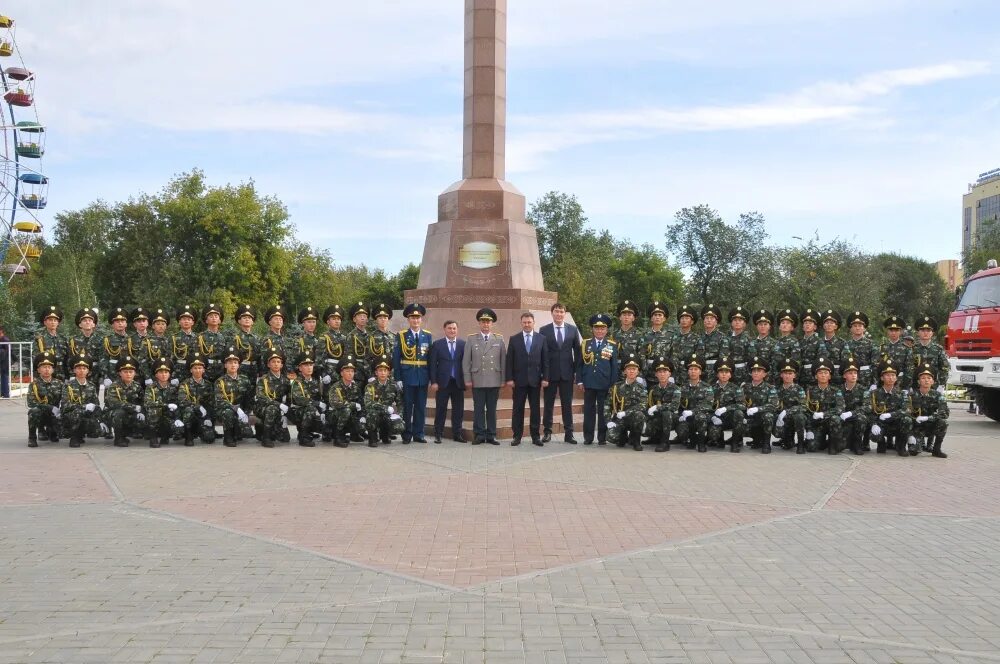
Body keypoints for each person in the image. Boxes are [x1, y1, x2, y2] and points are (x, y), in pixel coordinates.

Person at [506, 312, 549, 446]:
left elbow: (545, 360)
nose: (527, 324)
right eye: (524, 322)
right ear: (521, 323)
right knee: (517, 409)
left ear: (533, 323)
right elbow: (509, 361)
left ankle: (535, 437)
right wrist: (509, 378)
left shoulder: (541, 338)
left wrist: (545, 377)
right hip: (518, 381)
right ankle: (517, 436)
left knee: (535, 409)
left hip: (535, 381)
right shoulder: (514, 339)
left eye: (529, 322)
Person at [539, 302, 581, 443]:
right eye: (556, 311)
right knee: (548, 404)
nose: (559, 314)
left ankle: (569, 434)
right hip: (550, 375)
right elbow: (542, 353)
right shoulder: (544, 330)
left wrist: (575, 371)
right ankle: (547, 432)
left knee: (567, 404)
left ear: (565, 313)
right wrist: (543, 374)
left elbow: (578, 352)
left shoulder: (572, 330)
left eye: (561, 311)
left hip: (567, 374)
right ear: (552, 313)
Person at [463, 308, 505, 445]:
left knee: (492, 409)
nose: (486, 325)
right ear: (479, 323)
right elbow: (465, 361)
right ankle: (480, 434)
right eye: (483, 322)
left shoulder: (499, 339)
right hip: (478, 380)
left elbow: (503, 361)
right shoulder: (471, 339)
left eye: (488, 322)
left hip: (494, 379)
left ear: (491, 324)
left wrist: (503, 379)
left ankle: (491, 435)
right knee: (479, 408)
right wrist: (467, 379)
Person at [394, 303, 432, 443]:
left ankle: (419, 433)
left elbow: (430, 358)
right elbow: (396, 358)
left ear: (421, 320)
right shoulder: (402, 336)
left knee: (421, 407)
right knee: (408, 407)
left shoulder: (427, 336)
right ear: (408, 320)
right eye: (413, 318)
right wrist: (397, 378)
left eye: (418, 318)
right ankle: (407, 434)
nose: (415, 321)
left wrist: (431, 377)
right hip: (407, 376)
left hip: (422, 376)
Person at [577, 313, 618, 445]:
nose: (599, 331)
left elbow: (614, 366)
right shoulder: (585, 343)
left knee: (603, 412)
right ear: (593, 329)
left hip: (604, 384)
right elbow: (579, 364)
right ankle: (588, 437)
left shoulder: (611, 345)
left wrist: (613, 384)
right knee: (588, 411)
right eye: (597, 328)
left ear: (606, 330)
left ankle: (602, 437)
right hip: (588, 383)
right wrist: (579, 380)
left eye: (602, 328)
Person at [428, 320, 466, 443]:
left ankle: (457, 434)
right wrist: (433, 381)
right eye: (449, 328)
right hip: (442, 383)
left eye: (454, 328)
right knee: (441, 409)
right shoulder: (437, 344)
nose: (452, 331)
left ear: (457, 330)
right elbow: (432, 365)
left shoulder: (463, 344)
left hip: (458, 382)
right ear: (444, 329)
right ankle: (438, 434)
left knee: (458, 410)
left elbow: (467, 364)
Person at [869, 359, 914, 456]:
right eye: (888, 375)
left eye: (893, 375)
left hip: (896, 425)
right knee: (874, 434)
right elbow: (870, 411)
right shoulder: (875, 394)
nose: (891, 378)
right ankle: (881, 443)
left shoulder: (902, 394)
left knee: (907, 420)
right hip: (882, 425)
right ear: (882, 378)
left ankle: (901, 446)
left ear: (896, 378)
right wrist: (874, 424)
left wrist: (891, 415)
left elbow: (907, 410)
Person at [61, 351, 103, 447]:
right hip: (70, 417)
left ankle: (82, 434)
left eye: (84, 368)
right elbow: (65, 406)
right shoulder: (68, 386)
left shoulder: (91, 386)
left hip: (85, 415)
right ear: (74, 370)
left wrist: (100, 420)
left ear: (88, 371)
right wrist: (84, 407)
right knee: (77, 412)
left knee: (98, 431)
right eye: (79, 368)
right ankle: (74, 437)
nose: (81, 371)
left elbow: (96, 404)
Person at [605, 353, 647, 450]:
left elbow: (643, 405)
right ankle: (623, 436)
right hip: (620, 419)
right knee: (612, 437)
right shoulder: (617, 387)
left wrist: (626, 412)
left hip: (633, 418)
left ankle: (636, 441)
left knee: (639, 415)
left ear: (638, 372)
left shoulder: (641, 388)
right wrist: (608, 421)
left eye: (634, 369)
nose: (631, 371)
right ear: (625, 371)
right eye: (629, 369)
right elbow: (607, 405)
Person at [804, 358, 845, 454]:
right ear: (815, 376)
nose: (823, 375)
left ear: (830, 376)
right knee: (811, 448)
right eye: (820, 373)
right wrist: (808, 430)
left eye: (826, 373)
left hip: (830, 423)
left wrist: (823, 414)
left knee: (835, 418)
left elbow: (840, 408)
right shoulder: (810, 391)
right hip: (817, 425)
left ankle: (834, 443)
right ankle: (822, 442)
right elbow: (806, 410)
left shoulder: (836, 391)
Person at [674, 353, 714, 452]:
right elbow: (678, 402)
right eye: (691, 369)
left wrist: (693, 412)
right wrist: (679, 414)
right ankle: (691, 439)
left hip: (702, 416)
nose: (693, 372)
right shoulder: (683, 387)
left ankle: (701, 443)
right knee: (681, 429)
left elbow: (708, 405)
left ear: (700, 372)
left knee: (700, 417)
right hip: (687, 417)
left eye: (696, 369)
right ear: (688, 371)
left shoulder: (707, 387)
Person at [216, 347, 253, 447]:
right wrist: (236, 409)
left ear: (239, 365)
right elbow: (220, 401)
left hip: (242, 412)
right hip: (225, 410)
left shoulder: (245, 380)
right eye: (230, 362)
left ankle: (237, 431)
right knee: (228, 412)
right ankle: (228, 437)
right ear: (225, 365)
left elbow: (249, 399)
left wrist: (246, 412)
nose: (233, 365)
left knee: (248, 434)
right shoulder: (220, 381)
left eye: (235, 362)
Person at [910, 362, 949, 458]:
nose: (926, 381)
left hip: (931, 425)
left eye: (929, 378)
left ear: (933, 381)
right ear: (919, 381)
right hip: (917, 427)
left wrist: (928, 418)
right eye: (923, 378)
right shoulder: (911, 396)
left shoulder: (938, 396)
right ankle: (915, 443)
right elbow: (906, 412)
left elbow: (945, 412)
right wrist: (909, 434)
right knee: (914, 452)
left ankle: (936, 449)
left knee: (943, 422)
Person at [104, 355, 145, 447]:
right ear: (120, 373)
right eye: (125, 372)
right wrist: (134, 407)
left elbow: (142, 401)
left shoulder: (137, 386)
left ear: (135, 373)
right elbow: (115, 403)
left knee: (145, 414)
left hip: (131, 413)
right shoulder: (114, 386)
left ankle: (134, 433)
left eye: (131, 372)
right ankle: (118, 438)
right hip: (114, 413)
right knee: (119, 413)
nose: (128, 374)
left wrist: (142, 411)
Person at [143, 358, 184, 448]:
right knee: (153, 411)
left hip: (167, 415)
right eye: (161, 372)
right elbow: (147, 403)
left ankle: (165, 436)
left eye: (166, 372)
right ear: (156, 375)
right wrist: (165, 405)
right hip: (154, 417)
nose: (163, 375)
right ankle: (153, 438)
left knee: (179, 426)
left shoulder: (174, 388)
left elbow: (178, 403)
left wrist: (177, 418)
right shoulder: (151, 387)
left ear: (169, 374)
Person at [255, 348, 291, 447]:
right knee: (272, 408)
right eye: (273, 362)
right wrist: (279, 405)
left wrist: (285, 414)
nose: (276, 364)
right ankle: (266, 438)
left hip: (280, 409)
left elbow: (289, 397)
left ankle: (261, 427)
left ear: (282, 365)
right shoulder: (263, 380)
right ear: (268, 364)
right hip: (263, 407)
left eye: (278, 362)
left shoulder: (286, 380)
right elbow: (261, 397)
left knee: (285, 438)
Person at [177, 351, 215, 445]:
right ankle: (188, 435)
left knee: (209, 438)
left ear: (203, 370)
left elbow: (211, 403)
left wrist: (208, 417)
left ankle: (202, 431)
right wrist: (197, 407)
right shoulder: (184, 384)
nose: (197, 370)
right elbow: (182, 401)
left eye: (200, 368)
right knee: (188, 410)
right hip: (190, 413)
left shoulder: (208, 384)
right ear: (191, 370)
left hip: (203, 414)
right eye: (195, 368)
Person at [708, 357, 745, 452]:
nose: (724, 374)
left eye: (727, 372)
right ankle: (719, 440)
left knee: (739, 413)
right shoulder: (710, 389)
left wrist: (726, 408)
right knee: (713, 434)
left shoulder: (736, 388)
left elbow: (742, 405)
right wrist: (712, 416)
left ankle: (735, 442)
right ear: (717, 374)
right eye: (721, 372)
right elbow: (706, 406)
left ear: (730, 375)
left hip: (730, 418)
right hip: (716, 418)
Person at [366, 354, 404, 447]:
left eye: (385, 370)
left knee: (399, 426)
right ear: (376, 372)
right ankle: (373, 437)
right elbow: (368, 403)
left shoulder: (393, 385)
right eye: (380, 370)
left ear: (389, 372)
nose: (383, 373)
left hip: (387, 414)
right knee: (372, 414)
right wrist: (385, 408)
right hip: (375, 413)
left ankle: (385, 435)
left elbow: (400, 403)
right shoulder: (370, 386)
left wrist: (399, 415)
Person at [327, 355, 366, 447]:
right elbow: (336, 403)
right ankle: (338, 437)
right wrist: (353, 404)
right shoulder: (336, 387)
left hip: (350, 415)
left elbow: (361, 403)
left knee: (361, 423)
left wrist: (362, 416)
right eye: (347, 371)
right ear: (341, 373)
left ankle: (354, 434)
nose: (350, 373)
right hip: (335, 416)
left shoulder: (356, 387)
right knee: (346, 410)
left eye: (352, 371)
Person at [288, 350, 324, 447]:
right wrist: (317, 404)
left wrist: (323, 411)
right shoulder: (297, 382)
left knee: (327, 426)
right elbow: (299, 399)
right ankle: (303, 437)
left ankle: (310, 431)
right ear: (300, 368)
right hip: (297, 411)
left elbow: (320, 397)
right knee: (311, 409)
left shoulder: (316, 382)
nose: (309, 368)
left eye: (311, 365)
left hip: (312, 411)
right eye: (305, 365)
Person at [27, 350, 62, 446]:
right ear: (38, 370)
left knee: (65, 417)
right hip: (41, 414)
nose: (47, 369)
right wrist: (49, 408)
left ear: (53, 369)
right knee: (33, 411)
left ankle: (52, 431)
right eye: (44, 367)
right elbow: (31, 403)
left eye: (49, 367)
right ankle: (32, 437)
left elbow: (64, 400)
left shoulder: (59, 384)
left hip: (54, 415)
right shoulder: (34, 385)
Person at [743, 356, 778, 453]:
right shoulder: (745, 387)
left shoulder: (770, 388)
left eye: (759, 371)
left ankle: (766, 443)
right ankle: (737, 441)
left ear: (765, 374)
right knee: (737, 415)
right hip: (749, 418)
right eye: (754, 371)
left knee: (768, 415)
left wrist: (757, 409)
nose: (756, 373)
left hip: (762, 418)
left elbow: (773, 405)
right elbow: (739, 402)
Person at [645, 356, 679, 452]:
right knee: (650, 424)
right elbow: (648, 406)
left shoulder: (675, 388)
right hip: (659, 418)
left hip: (672, 419)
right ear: (656, 374)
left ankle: (665, 442)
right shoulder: (653, 389)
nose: (662, 374)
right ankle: (654, 437)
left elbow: (674, 406)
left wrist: (657, 407)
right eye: (660, 372)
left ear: (669, 374)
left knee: (666, 413)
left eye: (665, 372)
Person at [773, 358, 807, 452]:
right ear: (781, 375)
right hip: (781, 420)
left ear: (794, 375)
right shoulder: (776, 389)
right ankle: (784, 439)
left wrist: (787, 412)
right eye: (785, 373)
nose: (787, 376)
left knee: (800, 417)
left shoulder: (799, 389)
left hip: (793, 419)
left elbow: (803, 406)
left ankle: (800, 443)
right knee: (787, 445)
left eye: (790, 373)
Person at [839, 356, 869, 455]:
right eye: (850, 373)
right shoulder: (839, 390)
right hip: (843, 419)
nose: (853, 375)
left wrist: (851, 413)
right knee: (839, 447)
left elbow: (867, 407)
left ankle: (858, 443)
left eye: (855, 373)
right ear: (844, 376)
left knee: (862, 418)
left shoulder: (863, 390)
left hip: (856, 418)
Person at [910, 315, 949, 391]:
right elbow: (909, 368)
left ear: (932, 333)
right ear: (918, 332)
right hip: (915, 387)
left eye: (928, 331)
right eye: (923, 330)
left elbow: (944, 368)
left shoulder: (938, 349)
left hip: (934, 387)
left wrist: (941, 385)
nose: (925, 333)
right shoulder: (912, 349)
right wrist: (909, 385)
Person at [671, 305, 705, 388]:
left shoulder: (697, 339)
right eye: (682, 318)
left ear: (692, 321)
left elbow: (698, 358)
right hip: (674, 374)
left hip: (689, 374)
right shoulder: (673, 337)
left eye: (687, 318)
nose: (684, 320)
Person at [33, 305, 68, 380]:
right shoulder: (39, 339)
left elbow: (67, 359)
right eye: (50, 320)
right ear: (45, 322)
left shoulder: (64, 339)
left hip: (61, 374)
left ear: (58, 323)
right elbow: (36, 359)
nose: (53, 322)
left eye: (55, 320)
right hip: (46, 374)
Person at [844, 311, 877, 389]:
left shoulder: (871, 344)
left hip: (867, 379)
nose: (857, 328)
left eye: (860, 326)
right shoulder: (846, 345)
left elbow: (875, 365)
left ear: (864, 328)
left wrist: (875, 382)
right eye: (855, 326)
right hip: (850, 379)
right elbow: (844, 364)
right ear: (851, 328)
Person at [229, 304, 261, 386]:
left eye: (249, 318)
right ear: (239, 321)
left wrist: (260, 371)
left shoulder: (257, 338)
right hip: (241, 369)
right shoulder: (235, 338)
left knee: (252, 393)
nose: (247, 320)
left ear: (252, 322)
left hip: (254, 369)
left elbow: (260, 356)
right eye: (244, 318)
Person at [879, 316, 913, 392]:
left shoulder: (906, 348)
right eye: (891, 330)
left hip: (901, 383)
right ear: (887, 331)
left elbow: (909, 369)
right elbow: (878, 366)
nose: (893, 333)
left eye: (896, 330)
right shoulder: (882, 348)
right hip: (884, 382)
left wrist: (906, 386)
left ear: (900, 332)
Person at [641, 301, 671, 384]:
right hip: (648, 374)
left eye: (660, 315)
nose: (657, 317)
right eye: (655, 315)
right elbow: (642, 355)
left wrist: (671, 375)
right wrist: (643, 374)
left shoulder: (671, 335)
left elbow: (674, 356)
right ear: (651, 318)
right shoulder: (645, 335)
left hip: (665, 374)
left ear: (664, 318)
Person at [68, 308, 101, 383]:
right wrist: (71, 375)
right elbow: (70, 360)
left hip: (95, 375)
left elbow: (102, 360)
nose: (87, 322)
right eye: (84, 321)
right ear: (80, 324)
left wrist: (103, 376)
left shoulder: (101, 340)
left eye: (90, 321)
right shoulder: (73, 341)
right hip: (79, 374)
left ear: (94, 324)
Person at [610, 300, 643, 375]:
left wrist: (640, 375)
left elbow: (641, 358)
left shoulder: (639, 335)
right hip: (615, 373)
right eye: (624, 315)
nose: (626, 317)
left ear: (633, 318)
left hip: (632, 373)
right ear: (620, 317)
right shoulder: (614, 335)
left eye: (629, 315)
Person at [700, 303, 730, 383]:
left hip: (715, 373)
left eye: (712, 318)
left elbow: (723, 359)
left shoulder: (722, 337)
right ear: (704, 321)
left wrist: (719, 375)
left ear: (716, 322)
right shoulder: (699, 337)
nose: (709, 320)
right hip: (701, 373)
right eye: (707, 318)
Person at [316, 304, 346, 385]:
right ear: (328, 322)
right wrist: (324, 374)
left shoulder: (345, 338)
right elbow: (319, 359)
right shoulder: (324, 337)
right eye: (333, 319)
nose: (337, 321)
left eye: (338, 319)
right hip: (329, 376)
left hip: (342, 375)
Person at [344, 302, 373, 384]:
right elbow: (349, 356)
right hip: (357, 373)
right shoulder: (351, 336)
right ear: (354, 319)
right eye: (360, 316)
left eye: (364, 316)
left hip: (370, 373)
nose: (363, 318)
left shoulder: (371, 336)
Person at [199, 303, 228, 384]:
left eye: (216, 316)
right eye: (211, 316)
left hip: (221, 370)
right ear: (206, 320)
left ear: (220, 320)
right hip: (206, 370)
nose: (214, 318)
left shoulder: (225, 337)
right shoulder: (200, 337)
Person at [770, 309, 801, 384]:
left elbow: (795, 362)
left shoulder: (794, 342)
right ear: (779, 327)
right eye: (782, 323)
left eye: (788, 323)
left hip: (787, 378)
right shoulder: (775, 342)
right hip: (775, 377)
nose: (784, 325)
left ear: (792, 328)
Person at [170, 305, 199, 384]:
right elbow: (170, 358)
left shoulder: (199, 338)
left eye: (189, 319)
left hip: (194, 371)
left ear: (192, 322)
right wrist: (172, 375)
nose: (186, 321)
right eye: (183, 319)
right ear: (179, 322)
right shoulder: (173, 338)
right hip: (178, 371)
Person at [819, 310, 847, 386]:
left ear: (836, 326)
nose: (829, 325)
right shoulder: (818, 342)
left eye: (831, 323)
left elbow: (845, 362)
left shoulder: (842, 342)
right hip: (822, 376)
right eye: (827, 323)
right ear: (823, 326)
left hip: (837, 377)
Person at [727, 306, 753, 386]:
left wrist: (748, 378)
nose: (737, 322)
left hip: (743, 373)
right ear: (731, 323)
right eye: (735, 320)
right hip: (728, 372)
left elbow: (751, 360)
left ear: (744, 323)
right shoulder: (726, 338)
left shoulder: (749, 340)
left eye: (740, 320)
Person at [798, 308, 823, 389]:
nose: (807, 325)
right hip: (800, 376)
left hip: (813, 377)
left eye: (810, 323)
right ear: (802, 327)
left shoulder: (819, 342)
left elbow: (821, 360)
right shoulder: (799, 342)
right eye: (805, 323)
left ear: (815, 327)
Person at [749, 310, 776, 375]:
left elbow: (774, 364)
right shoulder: (751, 343)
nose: (763, 326)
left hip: (768, 378)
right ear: (756, 326)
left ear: (769, 326)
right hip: (753, 377)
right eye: (760, 324)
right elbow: (749, 362)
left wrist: (765, 375)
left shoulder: (774, 343)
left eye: (765, 324)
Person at [0, 324, 9, 398]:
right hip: (3, 361)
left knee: (4, 377)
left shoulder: (5, 339)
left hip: (4, 361)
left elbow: (7, 351)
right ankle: (3, 393)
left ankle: (6, 394)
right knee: (3, 377)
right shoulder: (2, 339)